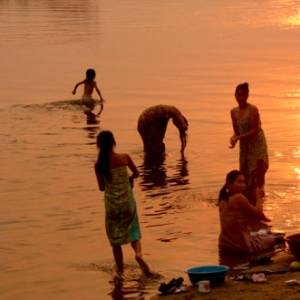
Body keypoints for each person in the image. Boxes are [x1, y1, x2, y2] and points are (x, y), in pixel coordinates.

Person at [94, 130, 152, 276]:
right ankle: (138, 255)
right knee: (134, 232)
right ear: (114, 143)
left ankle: (120, 272)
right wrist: (129, 178)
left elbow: (102, 188)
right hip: (127, 203)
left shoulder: (98, 165)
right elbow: (137, 174)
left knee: (115, 240)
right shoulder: (124, 157)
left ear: (99, 145)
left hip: (112, 205)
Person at [229, 82, 268, 205]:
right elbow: (236, 131)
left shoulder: (253, 109)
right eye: (239, 95)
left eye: (244, 95)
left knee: (257, 173)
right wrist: (234, 139)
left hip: (257, 143)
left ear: (247, 96)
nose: (241, 98)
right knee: (245, 174)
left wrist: (239, 137)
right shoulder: (233, 111)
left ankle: (258, 201)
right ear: (235, 95)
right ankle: (250, 202)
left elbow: (254, 130)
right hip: (244, 145)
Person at [218, 170, 275, 255]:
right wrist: (259, 197)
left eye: (244, 182)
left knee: (254, 234)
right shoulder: (239, 198)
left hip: (223, 246)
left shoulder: (221, 202)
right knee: (270, 238)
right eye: (239, 182)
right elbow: (258, 212)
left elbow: (235, 222)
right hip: (240, 246)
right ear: (230, 184)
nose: (243, 185)